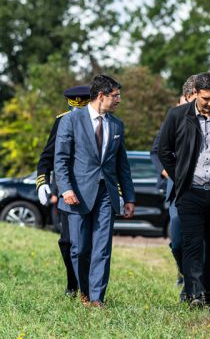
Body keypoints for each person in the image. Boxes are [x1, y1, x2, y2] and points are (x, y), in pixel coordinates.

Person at [158, 72, 210, 310]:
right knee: (192, 245)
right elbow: (164, 151)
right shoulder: (177, 115)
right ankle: (194, 295)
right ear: (194, 93)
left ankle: (208, 295)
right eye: (206, 98)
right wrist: (180, 176)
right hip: (190, 192)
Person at [54, 75, 135, 308]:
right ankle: (85, 293)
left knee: (102, 247)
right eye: (116, 96)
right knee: (79, 249)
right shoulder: (71, 120)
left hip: (106, 195)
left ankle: (97, 298)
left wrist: (128, 197)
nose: (119, 100)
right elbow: (60, 160)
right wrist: (65, 189)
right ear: (102, 96)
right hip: (77, 194)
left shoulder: (117, 124)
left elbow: (122, 165)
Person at [36, 85, 91, 298]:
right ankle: (72, 284)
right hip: (67, 191)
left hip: (92, 189)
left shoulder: (100, 122)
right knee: (67, 242)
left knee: (88, 243)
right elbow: (46, 157)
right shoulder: (61, 121)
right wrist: (42, 181)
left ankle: (89, 289)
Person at [150, 75, 197, 301]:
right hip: (177, 188)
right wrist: (170, 173)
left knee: (201, 241)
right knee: (178, 241)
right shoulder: (173, 120)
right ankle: (184, 272)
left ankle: (194, 287)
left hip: (204, 189)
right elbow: (157, 152)